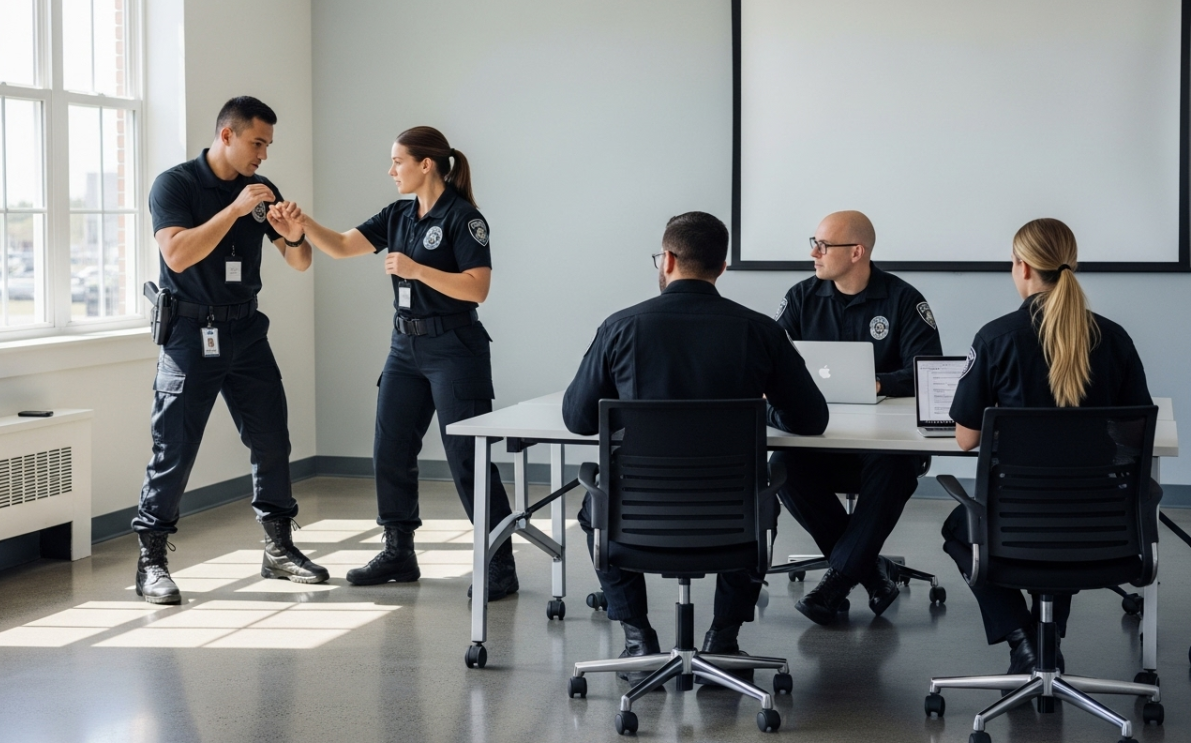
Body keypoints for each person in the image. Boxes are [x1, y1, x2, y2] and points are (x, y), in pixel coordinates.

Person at [563, 211, 829, 687]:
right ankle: (723, 639)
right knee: (760, 492)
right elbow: (811, 419)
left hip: (637, 517)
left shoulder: (621, 327)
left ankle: (637, 636)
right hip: (731, 520)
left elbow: (577, 419)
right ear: (722, 266)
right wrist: (762, 413)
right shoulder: (760, 331)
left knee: (593, 506)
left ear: (666, 259)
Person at [287, 127, 518, 599]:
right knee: (390, 449)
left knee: (468, 459)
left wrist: (417, 271)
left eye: (398, 161)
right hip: (404, 349)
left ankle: (500, 564)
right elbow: (343, 245)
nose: (391, 170)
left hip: (454, 348)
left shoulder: (464, 219)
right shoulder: (398, 214)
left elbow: (476, 288)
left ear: (426, 164)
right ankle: (399, 551)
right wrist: (302, 223)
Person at [133, 96, 328, 605]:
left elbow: (300, 262)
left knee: (272, 440)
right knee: (174, 447)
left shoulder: (262, 190)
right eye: (256, 142)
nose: (263, 154)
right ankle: (151, 561)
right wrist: (234, 210)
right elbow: (176, 254)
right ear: (226, 135)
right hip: (190, 333)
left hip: (245, 331)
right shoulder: (174, 184)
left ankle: (279, 549)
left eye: (267, 145)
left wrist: (293, 235)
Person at [942, 217, 1151, 675]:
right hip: (1099, 520)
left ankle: (1024, 638)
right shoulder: (1113, 338)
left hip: (1016, 515)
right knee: (1063, 534)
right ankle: (1044, 641)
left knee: (959, 529)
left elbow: (965, 439)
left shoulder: (995, 339)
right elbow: (1135, 433)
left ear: (1022, 267)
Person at [771, 210, 942, 625]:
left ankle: (836, 584)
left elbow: (928, 368)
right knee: (783, 468)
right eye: (813, 241)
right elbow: (773, 363)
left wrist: (878, 384)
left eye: (823, 245)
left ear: (857, 252)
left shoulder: (903, 299)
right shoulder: (800, 298)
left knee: (896, 464)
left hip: (880, 442)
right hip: (819, 437)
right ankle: (869, 572)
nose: (814, 252)